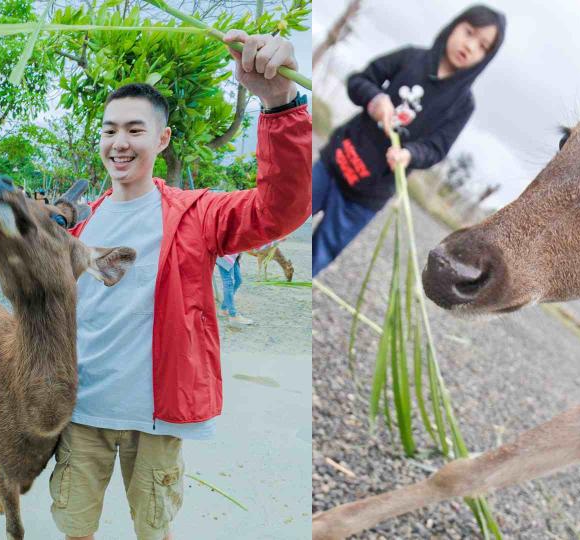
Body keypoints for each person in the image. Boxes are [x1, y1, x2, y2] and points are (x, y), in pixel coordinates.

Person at [50, 29, 310, 540]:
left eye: (134, 130)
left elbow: (280, 209)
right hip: (80, 415)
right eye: (108, 131)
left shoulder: (197, 215)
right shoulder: (81, 224)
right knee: (74, 529)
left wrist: (279, 103)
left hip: (156, 420)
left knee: (155, 532)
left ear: (162, 138)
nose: (118, 143)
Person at [312, 5, 506, 276]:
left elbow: (437, 148)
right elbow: (359, 80)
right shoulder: (410, 58)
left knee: (319, 252)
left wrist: (410, 155)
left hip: (364, 197)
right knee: (285, 222)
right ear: (455, 26)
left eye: (482, 45)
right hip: (333, 164)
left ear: (486, 57)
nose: (471, 45)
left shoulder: (463, 105)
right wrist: (375, 99)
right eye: (469, 32)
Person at [216, 253, 253, 327]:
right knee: (228, 282)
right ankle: (233, 315)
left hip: (234, 254)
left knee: (238, 280)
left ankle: (223, 309)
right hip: (225, 254)